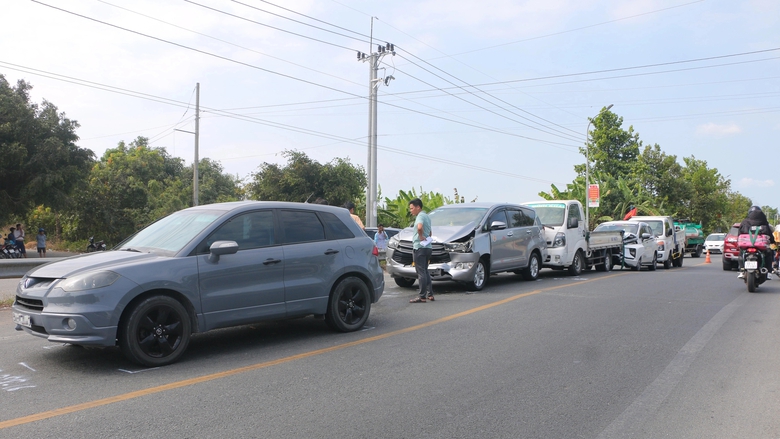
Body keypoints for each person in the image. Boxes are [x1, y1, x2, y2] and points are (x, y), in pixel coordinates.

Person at [737, 206, 774, 279]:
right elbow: (770, 235)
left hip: (746, 246)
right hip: (761, 247)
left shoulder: (745, 222)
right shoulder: (764, 223)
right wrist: (772, 241)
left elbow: (739, 234)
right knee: (769, 253)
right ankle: (769, 272)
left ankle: (741, 270)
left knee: (741, 254)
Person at [408, 198, 434, 303]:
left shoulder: (420, 216)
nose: (411, 210)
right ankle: (430, 294)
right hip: (428, 247)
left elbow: (419, 227)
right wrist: (425, 236)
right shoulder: (427, 217)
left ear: (418, 207)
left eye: (412, 208)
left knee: (421, 272)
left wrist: (420, 236)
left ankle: (422, 296)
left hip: (420, 247)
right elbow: (431, 233)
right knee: (425, 271)